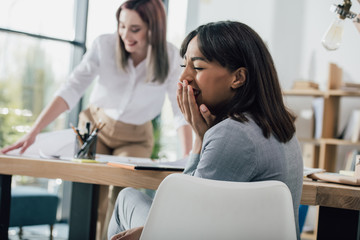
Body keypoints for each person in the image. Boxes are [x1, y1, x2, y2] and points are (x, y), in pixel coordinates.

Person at [1, 0, 192, 239]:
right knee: (93, 194)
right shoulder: (104, 44)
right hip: (95, 126)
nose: (125, 35)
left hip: (135, 136)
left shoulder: (171, 56)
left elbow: (179, 111)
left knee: (122, 193)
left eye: (135, 29)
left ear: (154, 28)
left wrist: (187, 161)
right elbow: (71, 89)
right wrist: (33, 133)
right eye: (121, 26)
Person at [107, 20, 304, 240]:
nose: (183, 78)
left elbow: (183, 218)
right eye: (184, 67)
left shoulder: (232, 133)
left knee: (126, 199)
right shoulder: (279, 126)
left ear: (238, 78)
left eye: (198, 67)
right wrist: (202, 136)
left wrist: (200, 140)